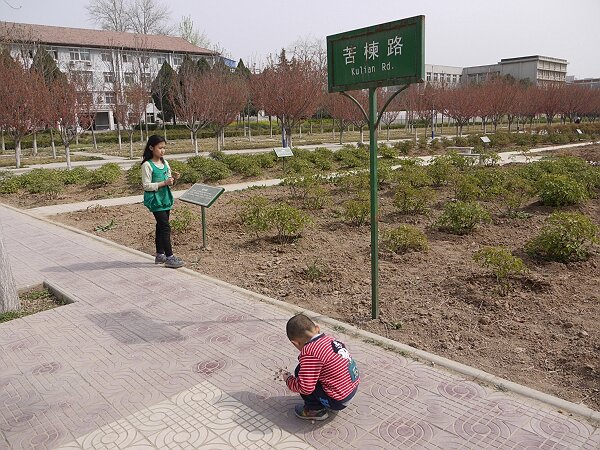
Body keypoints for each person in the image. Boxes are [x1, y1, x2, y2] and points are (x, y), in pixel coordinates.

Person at [279, 314, 360, 421]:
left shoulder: (310, 352)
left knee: (300, 371)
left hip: (338, 400)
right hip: (352, 389)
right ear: (317, 328)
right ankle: (326, 399)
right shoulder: (330, 339)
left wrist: (288, 379)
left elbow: (305, 387)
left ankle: (315, 410)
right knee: (308, 369)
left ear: (295, 343)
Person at [141, 134, 184, 269]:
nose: (162, 151)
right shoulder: (147, 165)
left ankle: (160, 255)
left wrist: (172, 180)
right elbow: (146, 185)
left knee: (160, 226)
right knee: (165, 227)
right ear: (151, 148)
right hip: (155, 200)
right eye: (160, 148)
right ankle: (170, 257)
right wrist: (163, 183)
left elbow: (168, 182)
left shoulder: (165, 163)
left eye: (164, 148)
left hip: (165, 199)